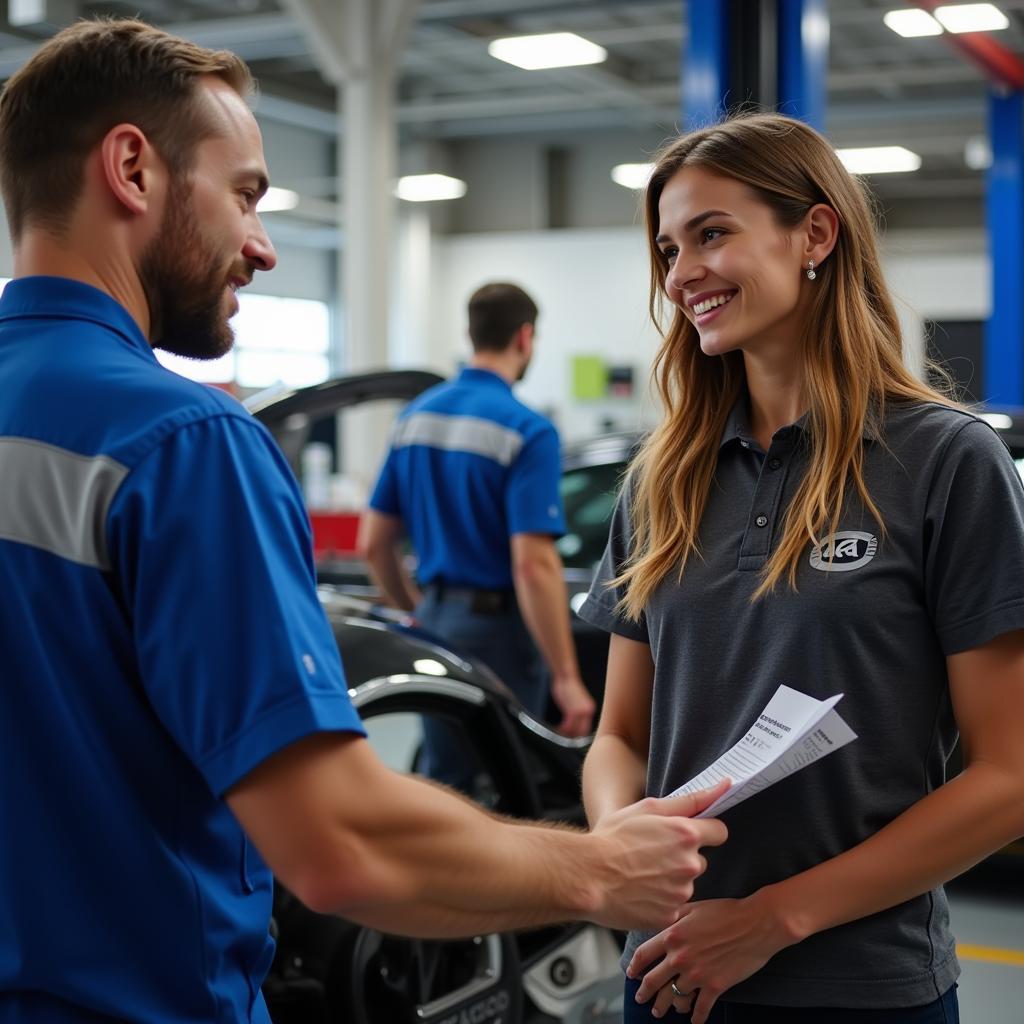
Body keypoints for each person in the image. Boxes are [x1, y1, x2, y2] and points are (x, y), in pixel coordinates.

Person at [0, 17, 734, 1024]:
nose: (259, 245)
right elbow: (337, 848)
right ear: (131, 166)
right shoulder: (179, 444)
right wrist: (597, 869)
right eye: (247, 193)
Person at [578, 111, 1024, 1024]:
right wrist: (617, 840)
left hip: (861, 988)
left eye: (712, 234)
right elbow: (619, 736)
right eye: (668, 249)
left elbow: (1009, 778)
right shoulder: (661, 479)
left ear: (814, 233)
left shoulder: (947, 461)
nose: (682, 273)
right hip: (668, 974)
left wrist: (773, 920)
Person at [359, 282, 596, 791]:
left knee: (447, 781)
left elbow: (374, 544)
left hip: (435, 621)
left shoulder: (414, 417)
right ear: (526, 337)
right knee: (509, 781)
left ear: (470, 333)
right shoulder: (526, 430)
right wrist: (567, 678)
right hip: (501, 636)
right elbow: (533, 565)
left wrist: (417, 609)